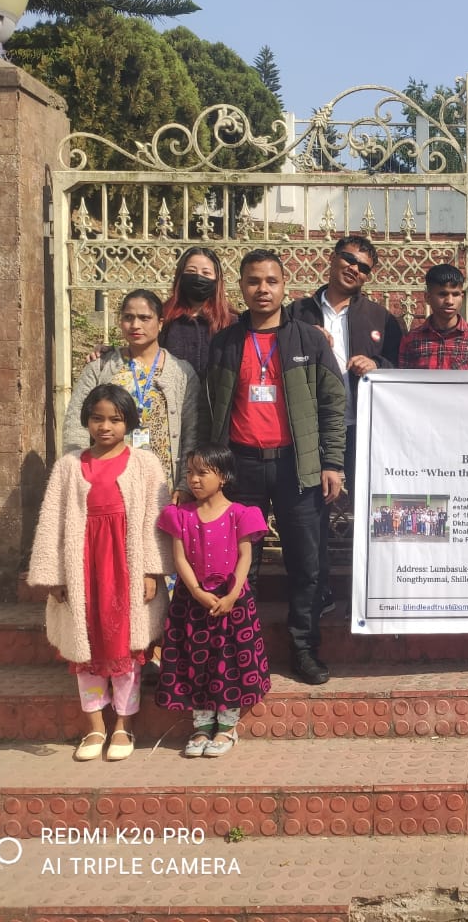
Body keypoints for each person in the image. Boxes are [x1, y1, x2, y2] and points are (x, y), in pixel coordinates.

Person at [202, 249, 346, 687]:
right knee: (240, 565)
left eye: (270, 281)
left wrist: (332, 462)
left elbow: (333, 404)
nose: (262, 289)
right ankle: (240, 652)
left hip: (296, 467)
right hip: (240, 468)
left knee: (306, 564)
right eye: (252, 281)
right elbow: (211, 408)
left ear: (285, 286)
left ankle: (303, 649)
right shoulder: (225, 341)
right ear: (241, 287)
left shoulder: (309, 340)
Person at [28, 385, 172, 762]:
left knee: (126, 642)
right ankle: (94, 726)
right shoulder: (69, 466)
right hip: (83, 567)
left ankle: (123, 726)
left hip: (126, 568)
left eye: (115, 419)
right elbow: (51, 523)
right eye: (97, 418)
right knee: (86, 643)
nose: (105, 426)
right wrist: (55, 573)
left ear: (129, 422)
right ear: (86, 421)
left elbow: (156, 522)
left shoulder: (146, 465)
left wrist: (152, 572)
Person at [155, 444, 270, 759]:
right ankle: (202, 724)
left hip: (232, 602)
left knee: (229, 661)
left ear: (223, 476)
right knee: (195, 660)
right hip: (192, 602)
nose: (193, 479)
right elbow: (179, 557)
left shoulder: (240, 514)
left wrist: (233, 594)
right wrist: (195, 591)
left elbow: (246, 556)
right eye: (190, 472)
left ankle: (227, 727)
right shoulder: (180, 516)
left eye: (202, 473)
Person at [64, 289, 201, 500]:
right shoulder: (101, 367)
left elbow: (192, 432)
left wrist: (185, 483)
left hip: (163, 484)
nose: (135, 325)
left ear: (161, 322)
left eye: (145, 318)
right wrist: (81, 473)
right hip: (107, 480)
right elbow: (76, 423)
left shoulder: (181, 372)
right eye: (128, 318)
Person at [292, 236, 403, 482]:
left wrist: (376, 365)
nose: (355, 269)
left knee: (362, 508)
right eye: (350, 259)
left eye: (363, 268)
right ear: (333, 258)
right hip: (310, 428)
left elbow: (400, 366)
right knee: (311, 506)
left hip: (363, 428)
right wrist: (307, 341)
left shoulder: (382, 319)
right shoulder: (296, 313)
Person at [160, 247, 238, 380]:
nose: (198, 277)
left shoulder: (231, 321)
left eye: (206, 273)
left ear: (216, 279)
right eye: (191, 271)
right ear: (180, 275)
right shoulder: (164, 317)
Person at [399, 264, 468, 369]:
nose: (449, 301)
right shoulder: (411, 340)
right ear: (428, 297)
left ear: (462, 297)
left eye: (455, 294)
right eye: (442, 294)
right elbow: (405, 382)